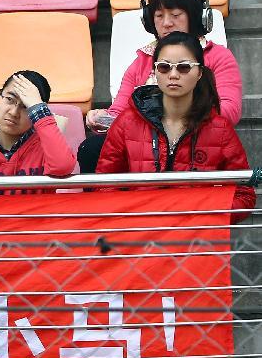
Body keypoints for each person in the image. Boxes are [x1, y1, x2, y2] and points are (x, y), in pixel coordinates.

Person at [81, 0, 243, 172]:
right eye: (158, 15)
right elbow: (119, 112)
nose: (166, 23)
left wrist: (177, 112)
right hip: (144, 148)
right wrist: (102, 117)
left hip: (196, 140)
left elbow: (229, 112)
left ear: (196, 16)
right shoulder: (141, 61)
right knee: (92, 148)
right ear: (149, 20)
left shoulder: (218, 57)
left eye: (175, 15)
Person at [96, 32, 254, 223]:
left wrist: (206, 213)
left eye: (184, 67)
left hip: (196, 239)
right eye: (164, 67)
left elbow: (244, 194)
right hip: (141, 237)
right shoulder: (127, 122)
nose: (173, 74)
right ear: (154, 72)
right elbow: (104, 184)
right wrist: (132, 216)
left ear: (200, 73)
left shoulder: (219, 128)